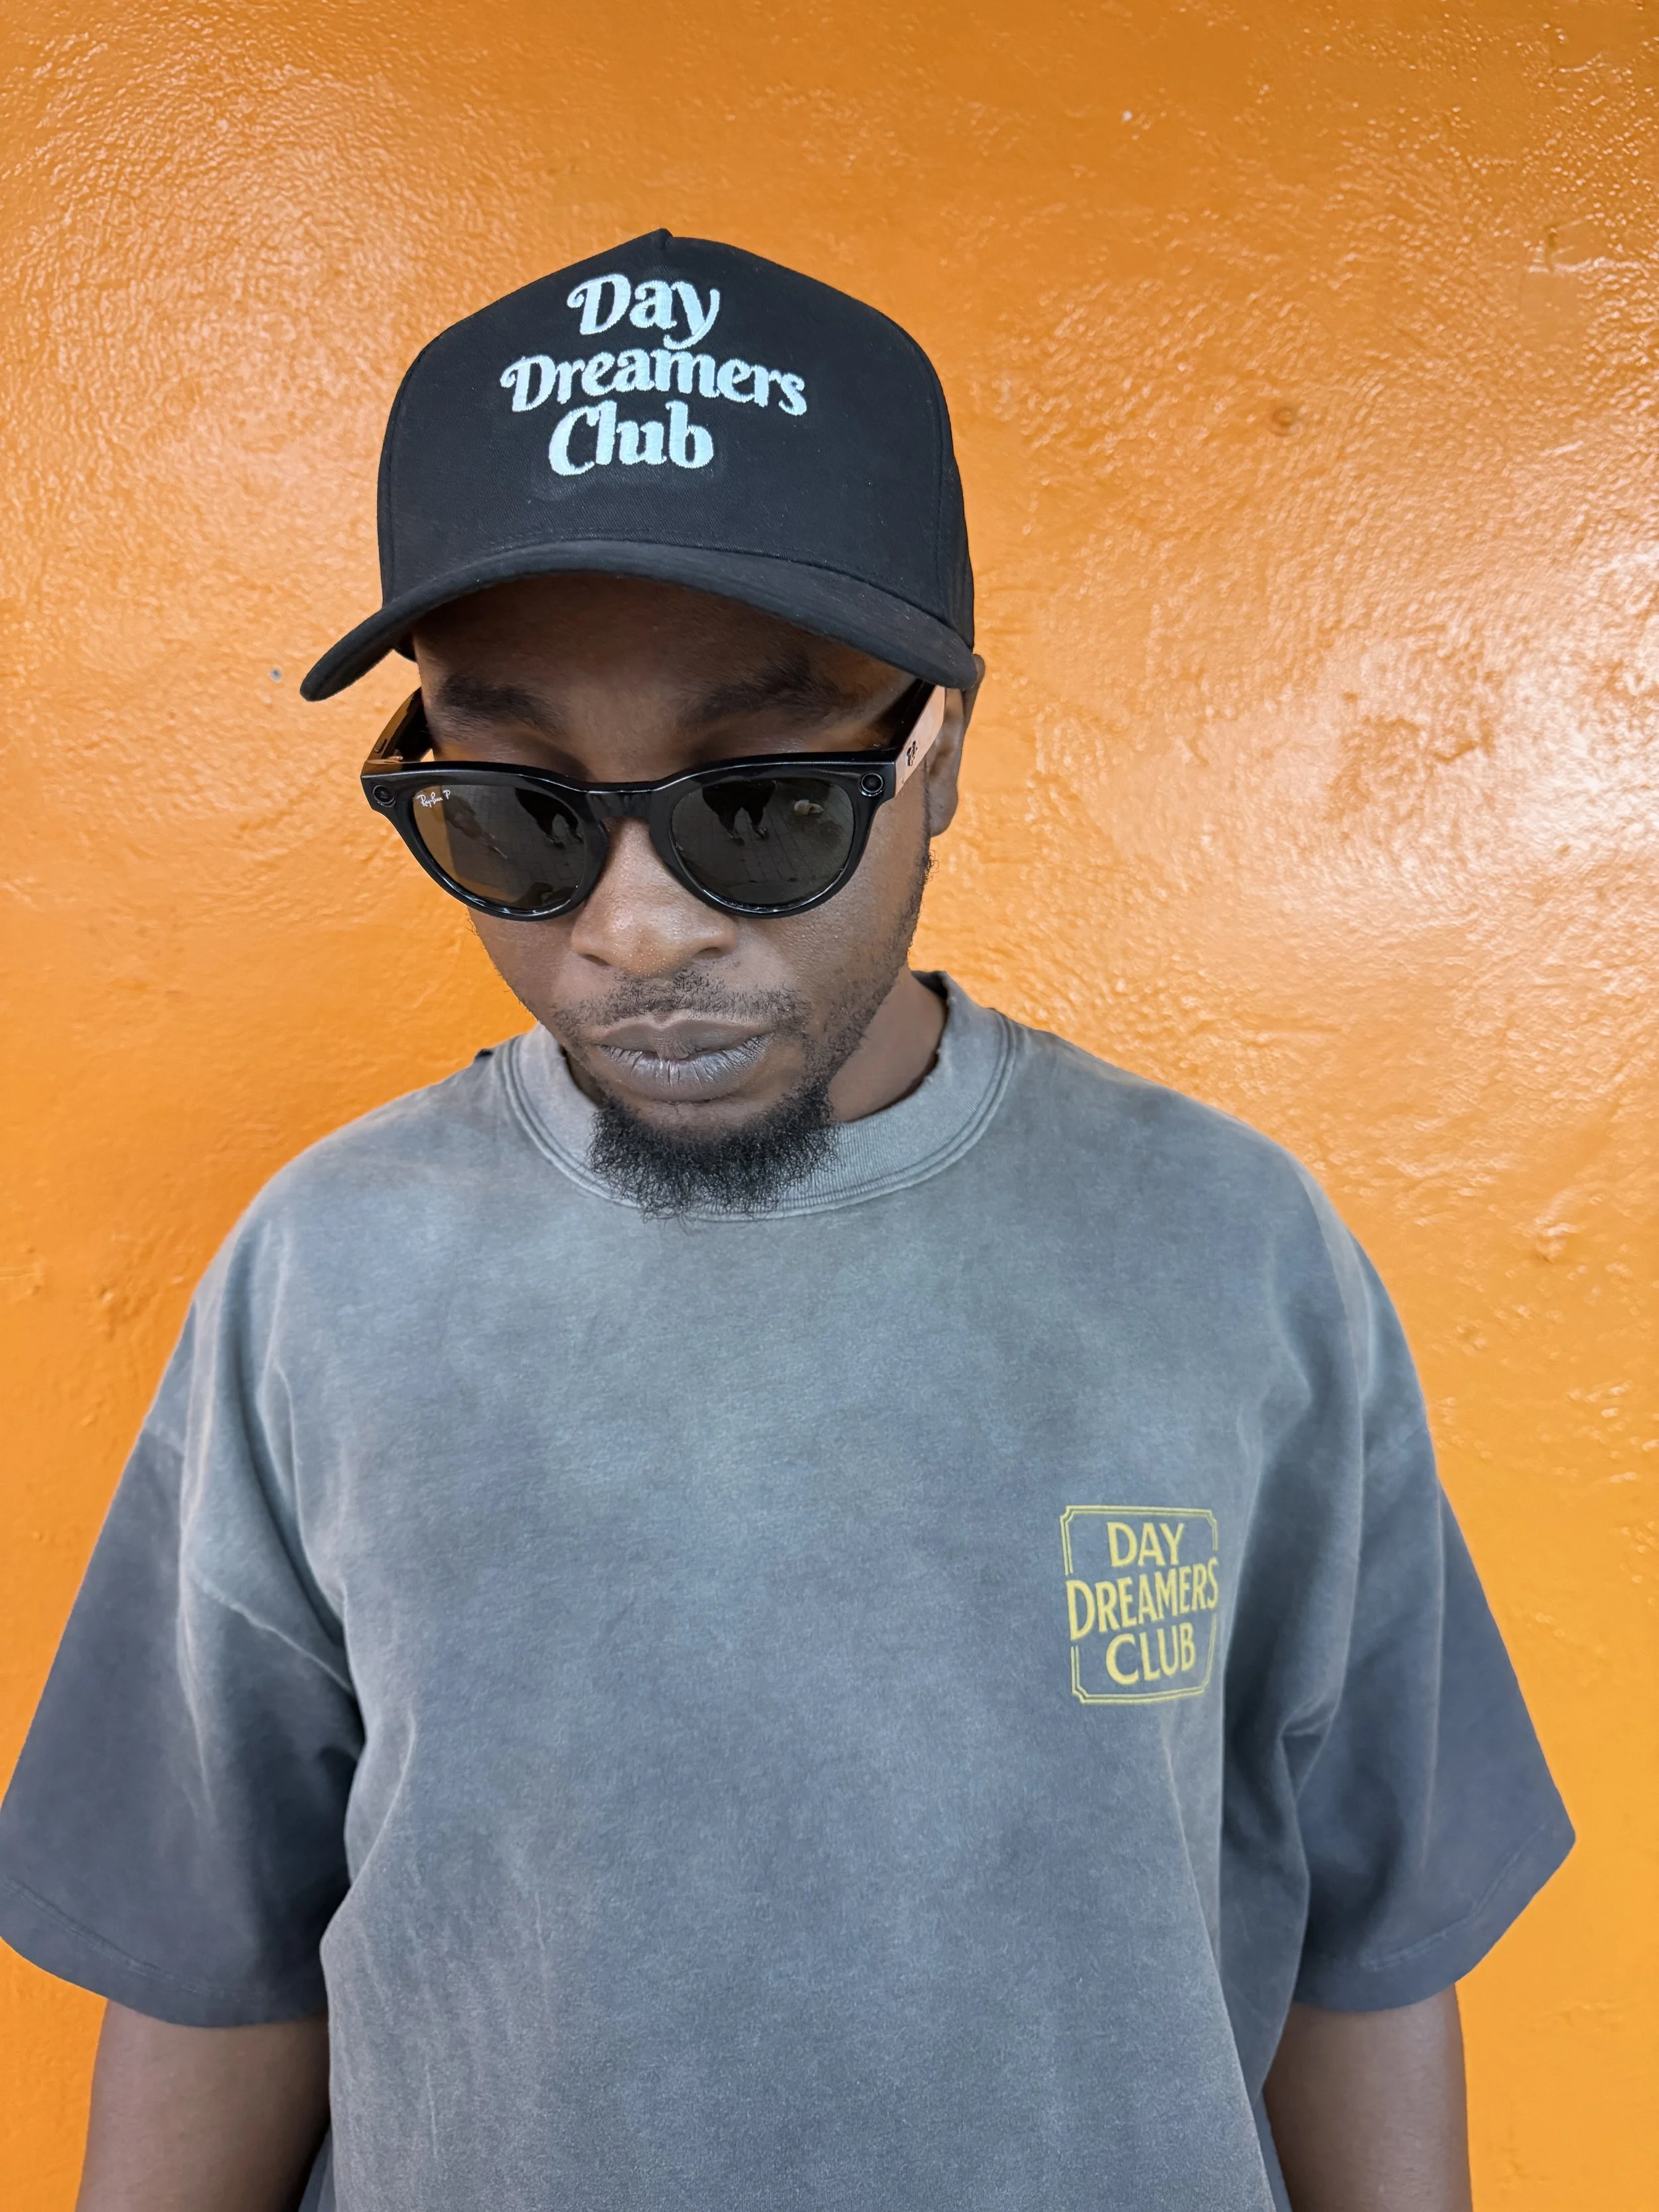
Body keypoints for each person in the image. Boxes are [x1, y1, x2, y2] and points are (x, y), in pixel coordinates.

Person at [0, 232, 1571, 2212]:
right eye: (515, 809)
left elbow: (1366, 1940)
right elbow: (211, 1961)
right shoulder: (328, 1274)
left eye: (760, 805)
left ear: (938, 755)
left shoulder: (1229, 1255)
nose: (631, 929)